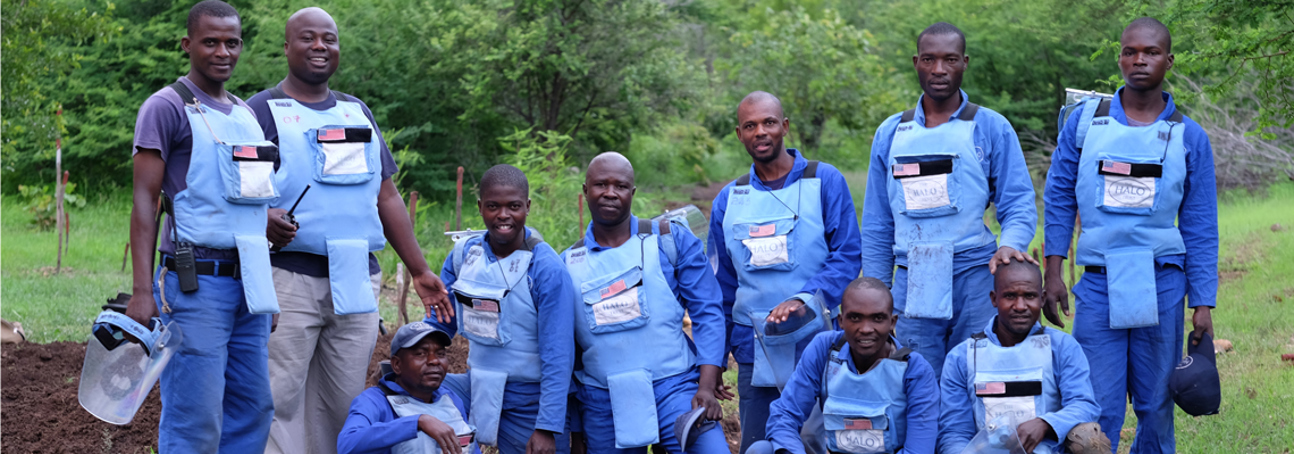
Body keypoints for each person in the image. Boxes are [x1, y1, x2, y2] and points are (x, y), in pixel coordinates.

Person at [245, 8, 451, 454]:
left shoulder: (356, 112)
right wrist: (264, 218)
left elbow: (387, 196)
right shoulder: (262, 111)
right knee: (278, 396)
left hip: (355, 279)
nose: (320, 46)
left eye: (329, 39)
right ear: (286, 47)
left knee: (342, 401)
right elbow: (239, 195)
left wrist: (419, 269)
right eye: (308, 38)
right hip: (288, 277)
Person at [1042, 17, 1217, 453]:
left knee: (1156, 403)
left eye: (1151, 52)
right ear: (1120, 57)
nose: (1139, 60)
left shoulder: (1187, 136)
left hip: (1162, 281)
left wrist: (1203, 303)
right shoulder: (1085, 124)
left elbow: (1200, 224)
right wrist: (1053, 270)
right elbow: (1060, 195)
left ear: (1169, 61)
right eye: (1130, 51)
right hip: (1099, 283)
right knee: (1094, 405)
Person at [124, 1, 277, 451]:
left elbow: (246, 203)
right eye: (210, 42)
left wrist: (264, 284)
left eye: (231, 42)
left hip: (249, 283)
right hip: (195, 285)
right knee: (196, 414)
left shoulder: (246, 115)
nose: (222, 51)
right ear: (188, 44)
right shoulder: (166, 106)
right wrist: (141, 291)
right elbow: (144, 201)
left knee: (253, 407)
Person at [859, 22, 1038, 377]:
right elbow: (878, 221)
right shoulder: (892, 132)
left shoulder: (990, 127)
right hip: (913, 278)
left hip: (974, 274)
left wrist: (1011, 243)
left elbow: (1017, 201)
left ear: (965, 62)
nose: (938, 70)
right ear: (916, 62)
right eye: (929, 59)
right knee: (917, 377)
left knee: (977, 374)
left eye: (949, 59)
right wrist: (877, 290)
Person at [709, 91, 863, 453]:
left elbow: (847, 255)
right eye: (750, 126)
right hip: (753, 345)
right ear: (739, 134)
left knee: (817, 439)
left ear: (785, 127)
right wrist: (715, 361)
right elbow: (720, 288)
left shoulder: (823, 181)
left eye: (769, 122)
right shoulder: (729, 200)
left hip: (817, 340)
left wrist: (804, 299)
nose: (760, 132)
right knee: (760, 444)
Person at [562, 152, 728, 453]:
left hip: (675, 389)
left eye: (620, 186)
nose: (610, 193)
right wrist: (575, 428)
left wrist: (706, 384)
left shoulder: (668, 240)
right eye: (601, 184)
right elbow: (565, 348)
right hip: (604, 400)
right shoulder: (567, 264)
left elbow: (708, 311)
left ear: (632, 192)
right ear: (585, 191)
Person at [430, 164, 575, 454]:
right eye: (493, 206)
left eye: (514, 206)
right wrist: (410, 361)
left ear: (528, 207)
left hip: (530, 399)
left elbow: (559, 356)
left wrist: (546, 427)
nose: (503, 215)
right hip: (476, 386)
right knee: (396, 397)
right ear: (480, 207)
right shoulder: (463, 257)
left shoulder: (545, 269)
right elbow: (439, 324)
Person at [749, 277, 938, 454]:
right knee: (762, 450)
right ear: (840, 321)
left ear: (892, 322)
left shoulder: (914, 370)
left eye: (877, 318)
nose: (865, 329)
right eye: (855, 318)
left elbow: (919, 450)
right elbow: (785, 415)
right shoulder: (824, 349)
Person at [939, 258, 1104, 454]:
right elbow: (954, 432)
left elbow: (1083, 405)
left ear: (1042, 299)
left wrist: (1045, 424)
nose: (1020, 306)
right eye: (1010, 296)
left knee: (1089, 438)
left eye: (1029, 296)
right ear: (994, 298)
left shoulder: (1062, 347)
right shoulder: (962, 357)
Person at [337, 321, 482, 454]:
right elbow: (347, 444)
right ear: (397, 365)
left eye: (440, 354)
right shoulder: (374, 401)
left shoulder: (450, 399)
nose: (434, 361)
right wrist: (417, 422)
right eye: (421, 354)